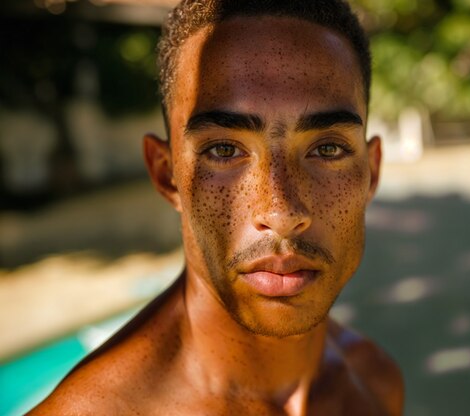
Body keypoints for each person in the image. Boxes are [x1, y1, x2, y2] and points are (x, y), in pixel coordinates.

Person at [29, 0, 404, 414]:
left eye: (328, 148)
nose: (281, 211)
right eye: (224, 150)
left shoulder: (374, 382)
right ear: (166, 175)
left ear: (371, 172)